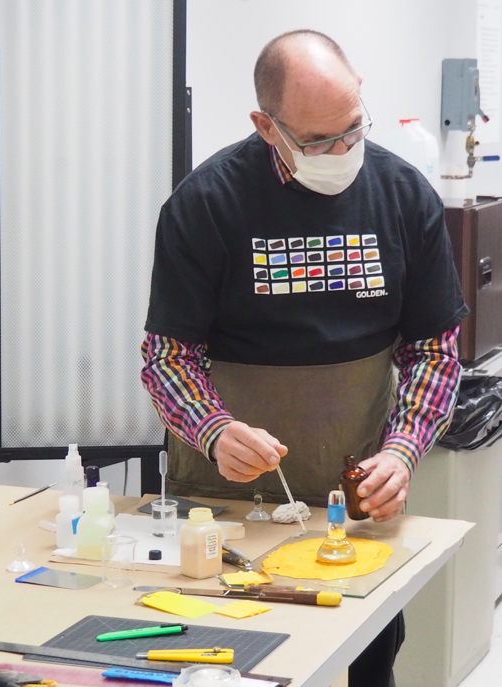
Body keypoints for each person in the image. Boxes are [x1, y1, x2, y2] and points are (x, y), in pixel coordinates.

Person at [141, 30, 468, 687]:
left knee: (368, 658)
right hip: (226, 499)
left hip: (358, 491)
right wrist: (212, 429)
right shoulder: (207, 205)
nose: (342, 150)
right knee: (225, 660)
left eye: (352, 128)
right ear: (267, 126)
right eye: (318, 141)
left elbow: (435, 350)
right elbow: (167, 356)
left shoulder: (404, 198)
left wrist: (403, 449)